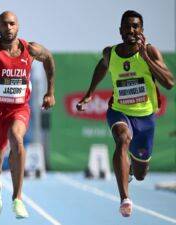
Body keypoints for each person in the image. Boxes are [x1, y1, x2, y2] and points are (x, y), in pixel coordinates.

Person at [76, 10, 174, 217]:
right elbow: (102, 67)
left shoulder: (150, 52)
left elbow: (169, 83)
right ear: (120, 30)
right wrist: (89, 94)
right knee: (122, 138)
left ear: (141, 30)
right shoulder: (110, 53)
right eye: (127, 26)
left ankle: (130, 170)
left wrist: (147, 58)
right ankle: (125, 198)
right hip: (119, 111)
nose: (131, 30)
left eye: (135, 26)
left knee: (140, 174)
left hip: (146, 117)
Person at [0, 11, 55, 219]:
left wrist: (50, 91)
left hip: (19, 109)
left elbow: (49, 58)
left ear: (18, 26)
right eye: (4, 24)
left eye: (12, 24)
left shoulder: (29, 49)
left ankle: (18, 199)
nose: (8, 28)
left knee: (17, 138)